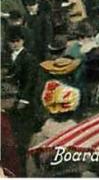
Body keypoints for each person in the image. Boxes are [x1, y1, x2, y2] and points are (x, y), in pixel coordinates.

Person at [5, 28, 40, 174]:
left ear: (22, 41)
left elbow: (30, 81)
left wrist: (24, 100)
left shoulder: (29, 58)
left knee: (23, 130)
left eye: (17, 41)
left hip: (24, 99)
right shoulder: (6, 57)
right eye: (11, 42)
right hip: (9, 97)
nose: (14, 44)